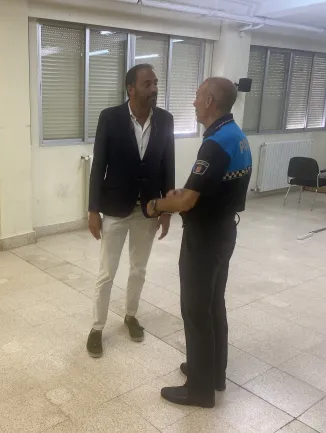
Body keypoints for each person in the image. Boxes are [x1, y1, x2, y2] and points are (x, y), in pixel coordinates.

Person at [146, 77, 252, 408]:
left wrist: (157, 205)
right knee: (213, 304)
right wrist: (183, 195)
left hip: (205, 238)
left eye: (197, 97)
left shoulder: (216, 143)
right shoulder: (236, 136)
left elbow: (189, 200)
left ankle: (199, 390)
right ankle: (213, 372)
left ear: (209, 101)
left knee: (195, 310)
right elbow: (205, 189)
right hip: (223, 232)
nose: (193, 103)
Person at [86, 64, 175, 358]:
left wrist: (166, 209)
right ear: (131, 88)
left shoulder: (165, 120)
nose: (154, 88)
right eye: (148, 83)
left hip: (148, 209)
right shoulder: (110, 118)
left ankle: (131, 315)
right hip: (115, 207)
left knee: (139, 269)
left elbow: (168, 165)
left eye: (155, 83)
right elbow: (99, 166)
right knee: (106, 272)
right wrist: (93, 210)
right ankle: (97, 327)